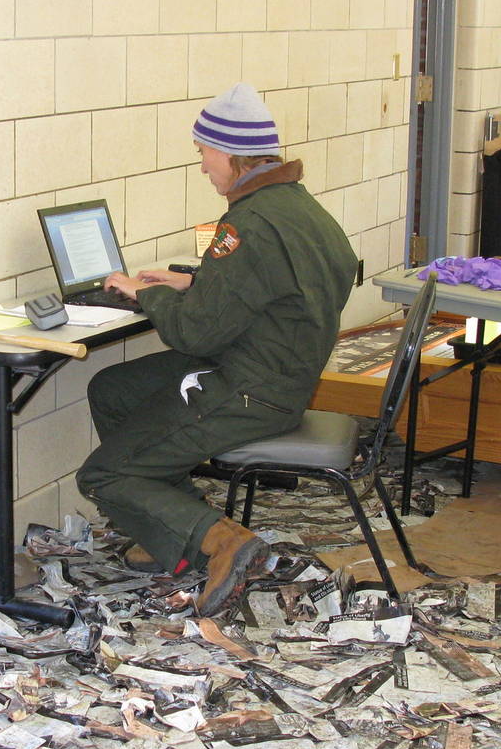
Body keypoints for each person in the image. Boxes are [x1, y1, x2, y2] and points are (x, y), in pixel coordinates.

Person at [77, 82, 358, 616]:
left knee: (103, 474)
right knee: (112, 389)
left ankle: (220, 541)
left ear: (230, 154)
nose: (203, 166)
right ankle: (170, 526)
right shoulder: (299, 208)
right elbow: (291, 284)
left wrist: (149, 293)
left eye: (204, 153)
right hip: (280, 371)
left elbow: (197, 335)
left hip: (251, 388)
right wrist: (196, 281)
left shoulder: (246, 224)